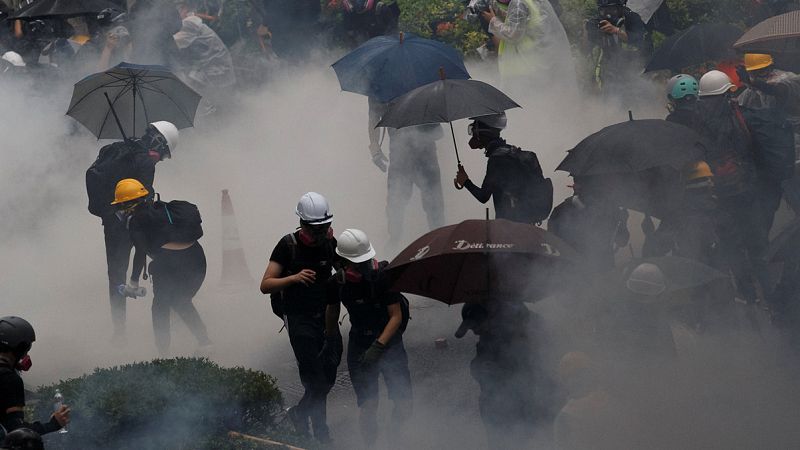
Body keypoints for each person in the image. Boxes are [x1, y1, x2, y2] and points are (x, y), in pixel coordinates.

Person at [85, 121, 179, 345]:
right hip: (135, 223)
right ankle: (173, 312)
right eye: (164, 155)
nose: (161, 159)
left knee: (116, 274)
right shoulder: (146, 161)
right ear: (160, 143)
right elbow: (143, 200)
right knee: (165, 263)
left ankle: (119, 331)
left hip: (111, 222)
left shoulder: (120, 150)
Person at [260, 192, 339, 443]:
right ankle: (321, 433)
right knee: (314, 380)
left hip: (326, 318)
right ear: (302, 224)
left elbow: (345, 268)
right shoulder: (287, 246)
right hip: (299, 320)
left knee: (327, 378)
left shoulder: (330, 243)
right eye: (315, 229)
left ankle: (300, 413)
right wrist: (293, 278)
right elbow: (266, 284)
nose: (320, 234)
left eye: (324, 228)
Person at [324, 229, 412, 446]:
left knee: (404, 403)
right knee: (368, 405)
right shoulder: (338, 283)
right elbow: (332, 313)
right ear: (344, 262)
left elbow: (396, 316)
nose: (362, 269)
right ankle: (370, 445)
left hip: (389, 344)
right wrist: (331, 341)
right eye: (356, 264)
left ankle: (395, 436)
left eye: (364, 262)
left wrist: (379, 347)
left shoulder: (384, 276)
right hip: (360, 345)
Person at [111, 179, 211, 356]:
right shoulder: (162, 208)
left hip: (169, 265)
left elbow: (140, 251)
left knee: (160, 307)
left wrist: (133, 283)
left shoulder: (136, 221)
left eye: (121, 205)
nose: (120, 210)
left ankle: (163, 354)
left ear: (129, 204)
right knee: (181, 301)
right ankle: (205, 342)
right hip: (197, 259)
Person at [455, 301, 552, 448]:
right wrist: (479, 367)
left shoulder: (520, 330)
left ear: (489, 318)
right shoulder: (490, 334)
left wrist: (496, 369)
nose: (474, 332)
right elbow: (480, 366)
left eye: (476, 326)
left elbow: (533, 370)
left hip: (521, 405)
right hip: (497, 405)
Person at [369, 98, 445, 248]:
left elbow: (438, 125)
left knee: (434, 204)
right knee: (395, 204)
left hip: (425, 151)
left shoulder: (424, 77)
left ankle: (440, 243)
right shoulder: (378, 84)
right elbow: (373, 117)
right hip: (400, 153)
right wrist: (375, 148)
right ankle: (393, 246)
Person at [454, 113, 553, 223]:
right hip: (529, 225)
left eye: (475, 132)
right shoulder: (514, 153)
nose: (473, 136)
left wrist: (465, 181)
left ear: (482, 135)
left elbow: (483, 196)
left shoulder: (497, 160)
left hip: (509, 227)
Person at [481, 0, 576, 92]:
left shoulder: (518, 3)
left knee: (522, 103)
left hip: (521, 65)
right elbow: (527, 21)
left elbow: (513, 34)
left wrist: (492, 20)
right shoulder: (534, 1)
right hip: (537, 62)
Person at [0, 317, 69, 438]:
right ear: (19, 348)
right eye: (27, 348)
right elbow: (16, 431)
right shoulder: (9, 379)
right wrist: (52, 425)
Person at [548, 178, 629, 269]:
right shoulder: (561, 211)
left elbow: (622, 241)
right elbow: (553, 244)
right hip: (573, 270)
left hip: (601, 270)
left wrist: (623, 222)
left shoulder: (610, 211)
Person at [173, 0, 236, 115]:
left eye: (176, 11)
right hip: (211, 68)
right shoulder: (190, 21)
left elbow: (172, 45)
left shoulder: (189, 23)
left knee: (188, 88)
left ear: (184, 9)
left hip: (216, 69)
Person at [584, 0, 647, 97]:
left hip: (633, 69)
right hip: (607, 71)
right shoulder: (598, 22)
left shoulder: (632, 19)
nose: (607, 15)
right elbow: (588, 47)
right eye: (603, 11)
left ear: (621, 9)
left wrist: (617, 31)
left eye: (612, 10)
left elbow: (639, 40)